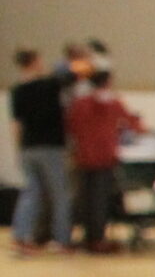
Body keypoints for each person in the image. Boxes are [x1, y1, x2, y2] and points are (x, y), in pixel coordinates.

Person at [66, 65, 139, 253]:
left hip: (83, 155)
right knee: (100, 199)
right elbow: (130, 121)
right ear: (108, 82)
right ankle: (97, 238)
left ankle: (87, 235)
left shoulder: (80, 103)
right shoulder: (112, 103)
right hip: (104, 155)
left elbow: (71, 126)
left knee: (85, 198)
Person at [11, 48, 74, 254]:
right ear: (35, 61)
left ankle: (21, 236)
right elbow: (73, 74)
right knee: (60, 194)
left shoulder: (17, 90)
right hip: (51, 147)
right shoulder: (49, 85)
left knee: (30, 193)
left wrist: (19, 149)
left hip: (28, 147)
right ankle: (61, 239)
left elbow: (16, 124)